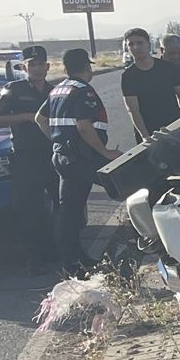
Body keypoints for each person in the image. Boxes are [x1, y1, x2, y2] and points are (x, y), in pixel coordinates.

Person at [0, 45, 55, 271]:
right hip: (26, 157)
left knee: (59, 205)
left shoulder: (55, 91)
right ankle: (33, 257)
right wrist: (28, 116)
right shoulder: (13, 89)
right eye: (31, 64)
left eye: (40, 64)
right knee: (30, 209)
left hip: (53, 155)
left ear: (48, 66)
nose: (36, 69)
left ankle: (55, 252)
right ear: (24, 67)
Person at [45, 47, 111, 276]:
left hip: (63, 155)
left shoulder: (57, 90)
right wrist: (106, 152)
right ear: (87, 66)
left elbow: (40, 118)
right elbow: (84, 127)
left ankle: (73, 259)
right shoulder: (82, 90)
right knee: (124, 187)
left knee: (69, 211)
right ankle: (73, 261)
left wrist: (57, 140)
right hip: (82, 157)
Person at [119, 27, 180, 138]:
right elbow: (133, 110)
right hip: (149, 132)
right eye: (131, 44)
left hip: (174, 128)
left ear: (148, 44)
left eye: (140, 43)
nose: (136, 47)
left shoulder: (167, 68)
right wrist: (145, 136)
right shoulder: (128, 76)